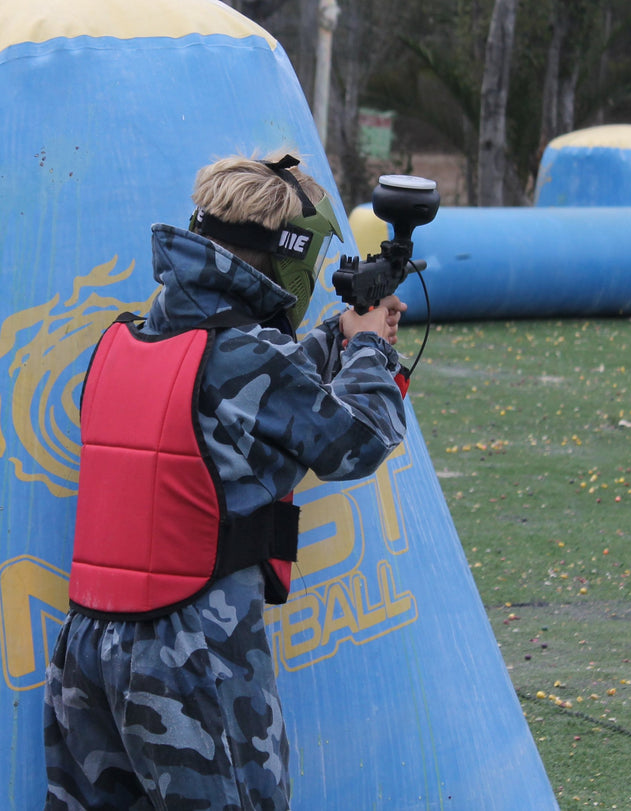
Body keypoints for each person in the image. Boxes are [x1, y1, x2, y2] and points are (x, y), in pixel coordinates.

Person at [44, 153, 410, 811]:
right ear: (289, 254)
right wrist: (369, 350)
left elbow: (236, 391)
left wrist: (337, 335)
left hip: (87, 648)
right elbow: (356, 439)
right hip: (190, 649)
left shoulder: (125, 340)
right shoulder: (237, 353)